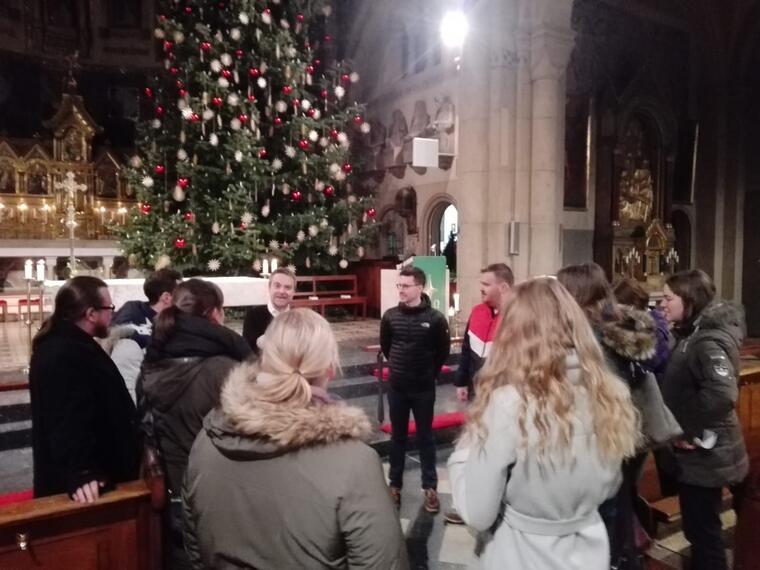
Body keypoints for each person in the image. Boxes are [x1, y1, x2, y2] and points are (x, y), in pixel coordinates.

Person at [183, 309, 408, 569]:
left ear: (264, 360)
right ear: (329, 369)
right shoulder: (355, 463)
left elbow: (195, 548)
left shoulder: (206, 440)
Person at [448, 277, 639, 569]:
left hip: (522, 554)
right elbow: (610, 486)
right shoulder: (610, 393)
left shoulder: (509, 404)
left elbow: (478, 513)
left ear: (515, 333)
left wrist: (462, 457)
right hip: (588, 549)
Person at [137, 278, 252, 569]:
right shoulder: (224, 371)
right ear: (214, 313)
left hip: (173, 487)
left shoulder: (152, 361)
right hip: (221, 492)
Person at [558, 263, 658, 569]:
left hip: (603, 447)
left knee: (604, 532)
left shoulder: (596, 342)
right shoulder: (622, 331)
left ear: (575, 296)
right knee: (618, 522)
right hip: (625, 443)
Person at [660, 269, 748, 570]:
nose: (662, 304)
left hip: (705, 454)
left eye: (668, 298)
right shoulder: (691, 334)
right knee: (700, 530)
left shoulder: (707, 340)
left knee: (704, 534)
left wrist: (689, 429)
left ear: (689, 299)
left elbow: (723, 394)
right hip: (703, 454)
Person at [30, 276, 139, 502]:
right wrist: (82, 471)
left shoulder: (70, 344)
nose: (112, 314)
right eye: (109, 308)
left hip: (99, 476)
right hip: (87, 488)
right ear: (91, 314)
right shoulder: (63, 353)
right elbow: (65, 417)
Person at [445, 262, 513, 525]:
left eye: (486, 284)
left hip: (505, 399)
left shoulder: (518, 317)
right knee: (475, 448)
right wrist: (461, 382)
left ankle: (500, 504)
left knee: (500, 453)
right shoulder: (477, 312)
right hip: (478, 397)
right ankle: (472, 503)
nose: (481, 289)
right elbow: (466, 352)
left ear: (504, 286)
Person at [380, 265, 450, 513]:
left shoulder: (435, 319)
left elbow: (443, 352)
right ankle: (395, 486)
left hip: (423, 388)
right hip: (398, 387)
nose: (401, 290)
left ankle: (430, 487)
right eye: (399, 285)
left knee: (425, 437)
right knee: (397, 437)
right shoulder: (389, 316)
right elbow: (386, 346)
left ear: (419, 287)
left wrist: (428, 373)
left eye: (406, 286)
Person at [109, 268, 182, 399]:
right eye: (181, 293)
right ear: (166, 297)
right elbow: (114, 335)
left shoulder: (180, 320)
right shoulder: (133, 309)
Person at [242, 267, 296, 354]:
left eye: (288, 287)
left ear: (294, 292)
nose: (282, 291)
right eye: (277, 286)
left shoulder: (298, 318)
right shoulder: (253, 315)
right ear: (269, 288)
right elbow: (247, 351)